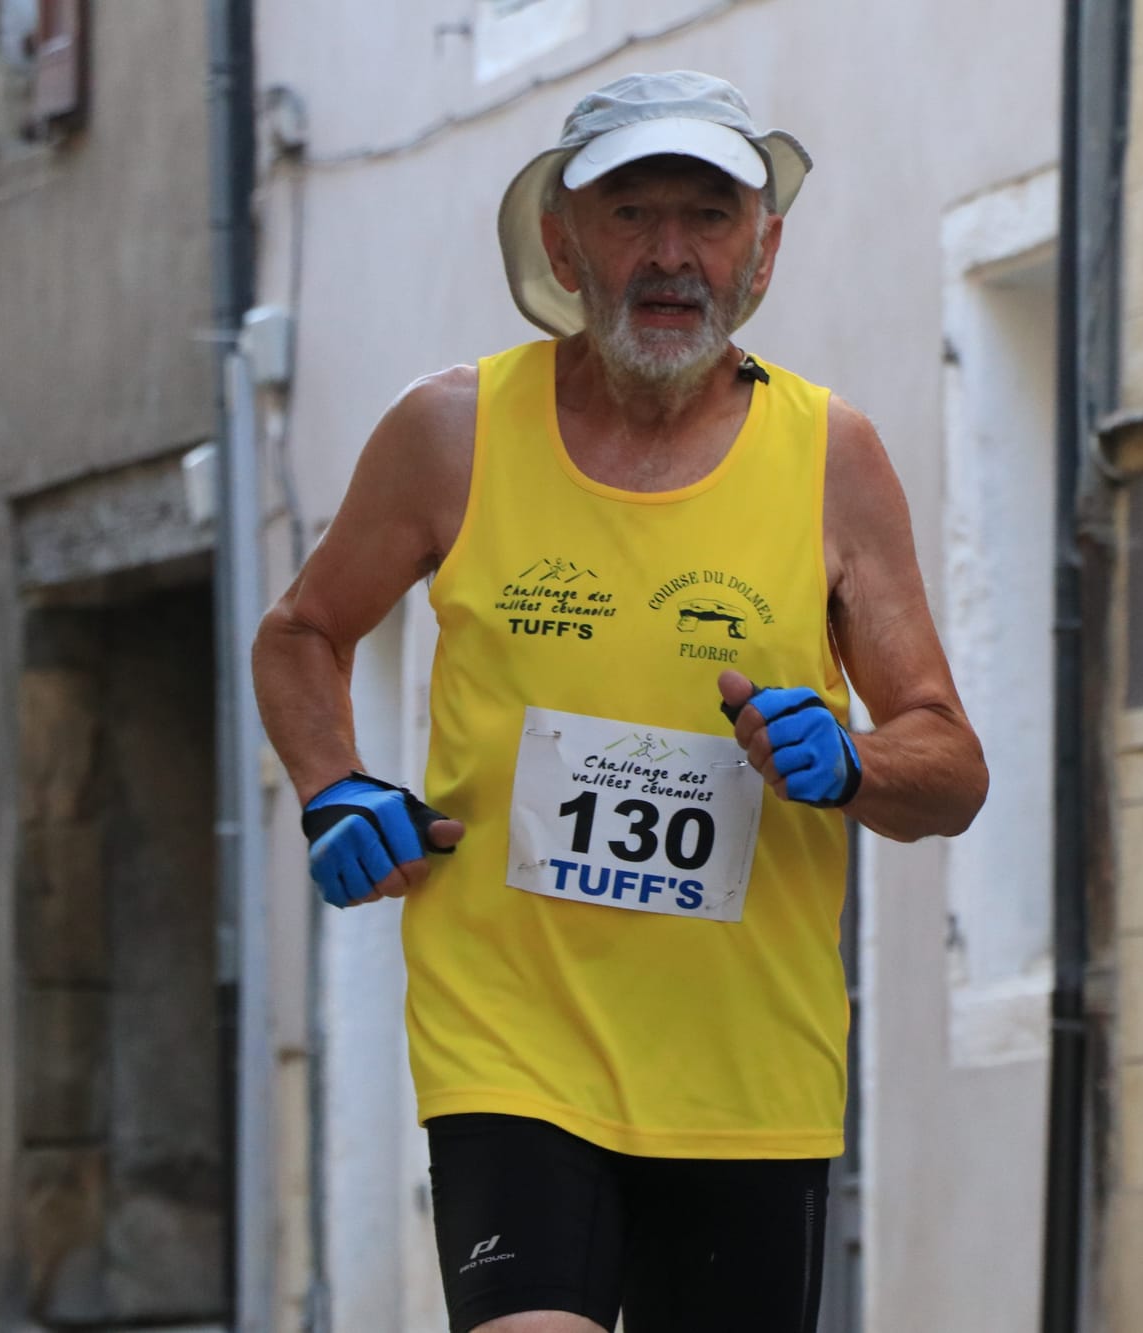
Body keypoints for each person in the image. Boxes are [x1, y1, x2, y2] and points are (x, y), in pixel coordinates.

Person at [252, 70, 987, 1333]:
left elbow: (952, 766)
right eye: (629, 212)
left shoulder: (832, 458)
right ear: (559, 240)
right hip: (510, 1045)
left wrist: (858, 762)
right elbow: (301, 633)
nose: (667, 253)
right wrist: (333, 787)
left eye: (706, 217)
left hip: (746, 1067)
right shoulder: (451, 433)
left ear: (761, 252)